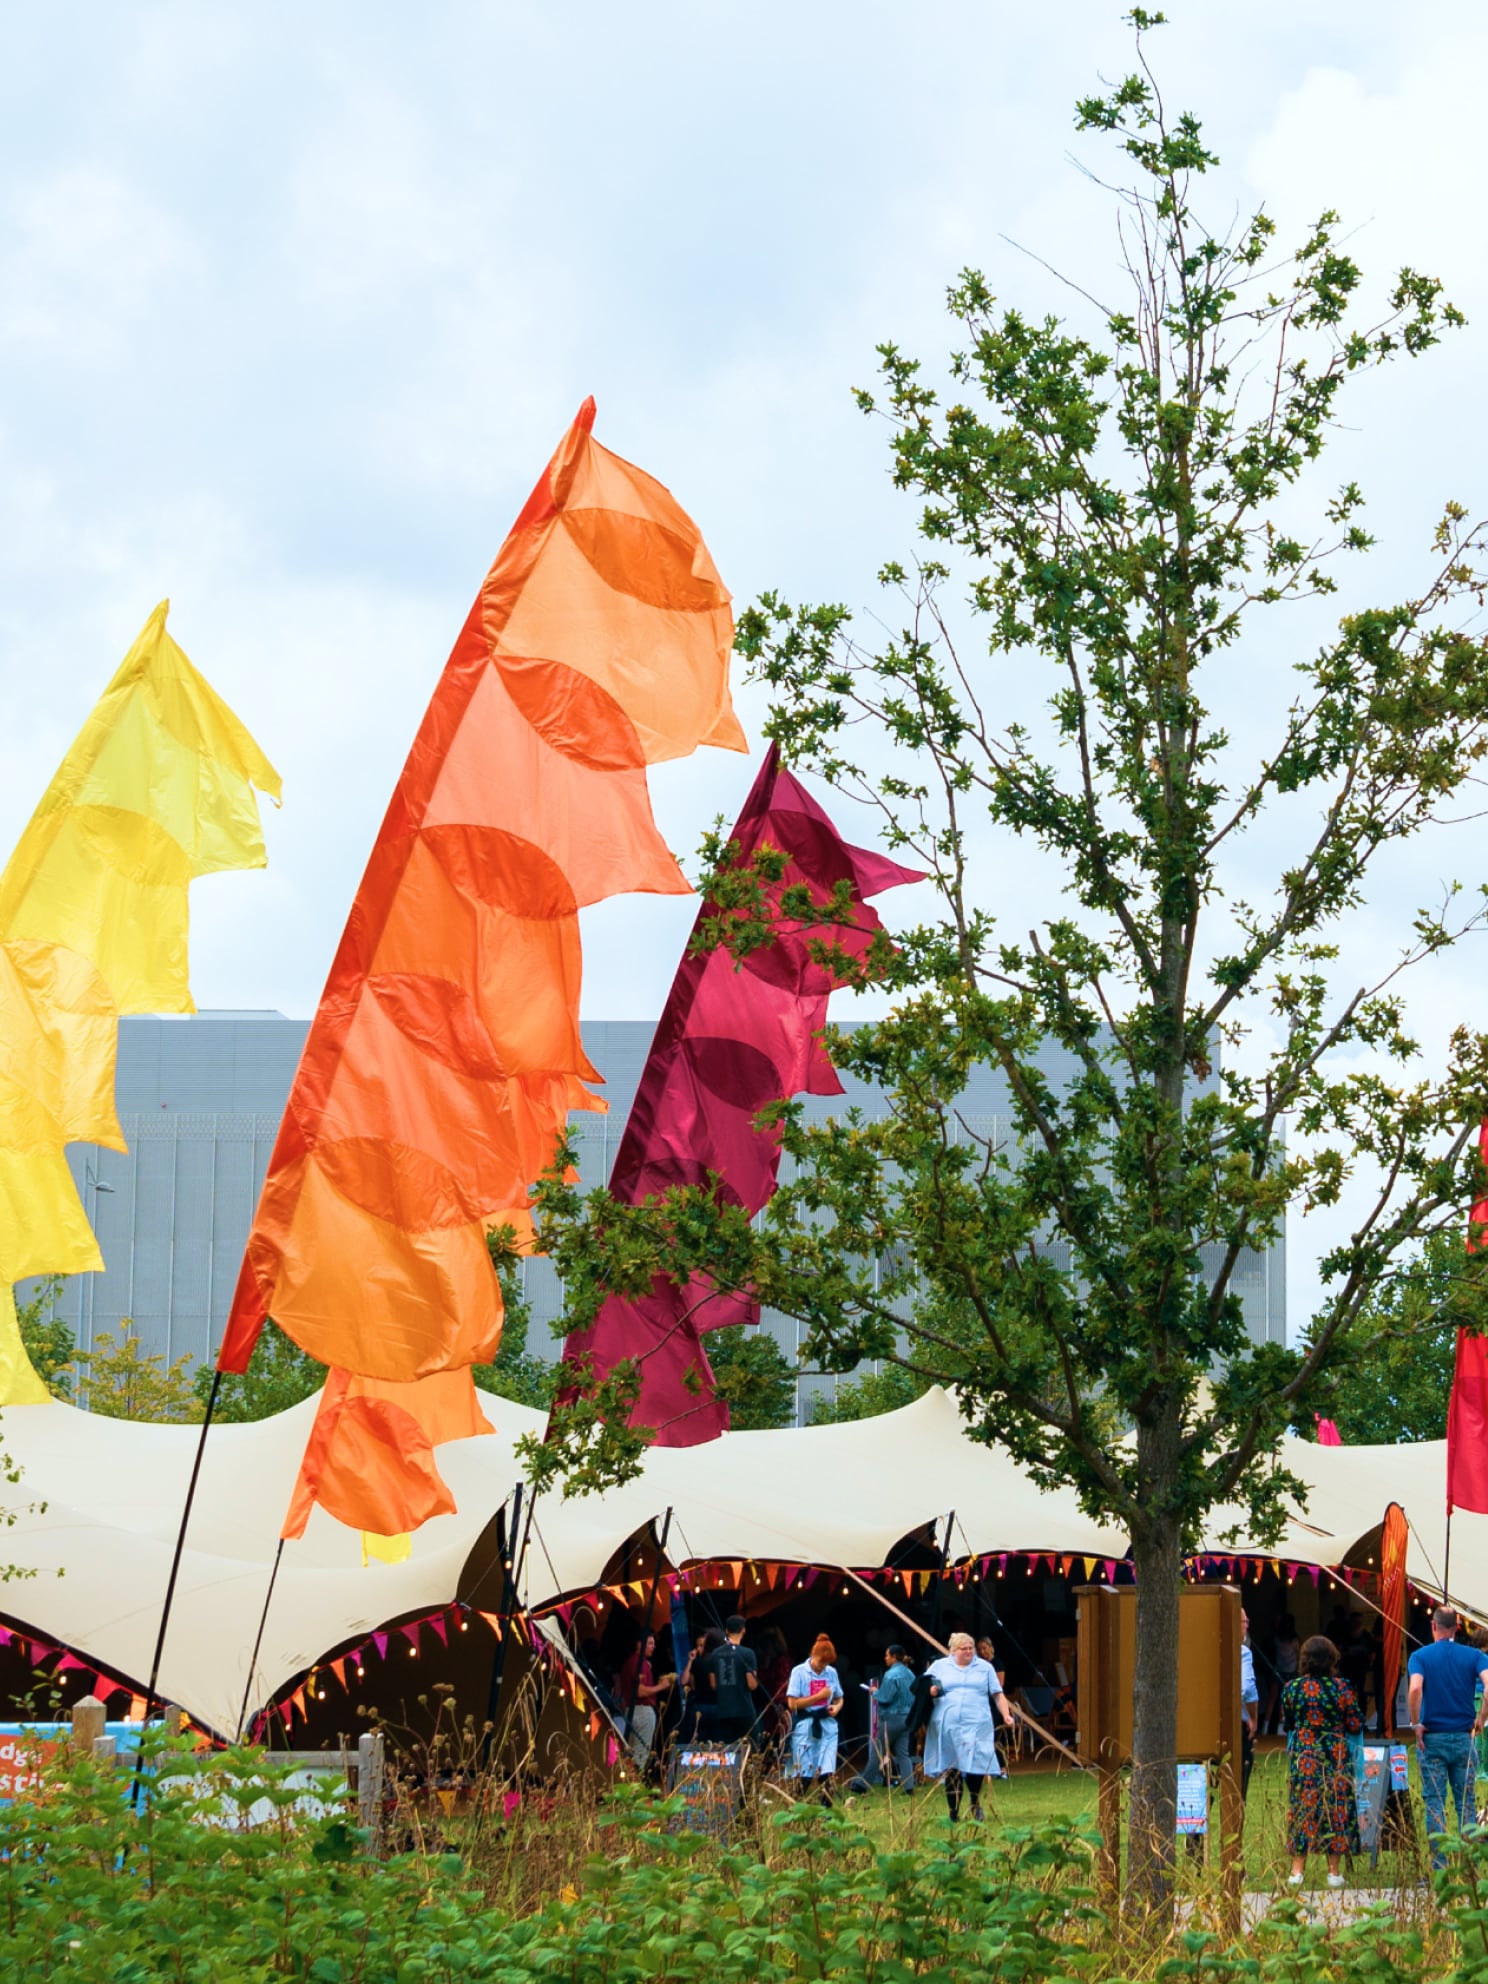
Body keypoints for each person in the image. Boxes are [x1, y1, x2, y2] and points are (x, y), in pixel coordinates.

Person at [1408, 1605, 1488, 1868]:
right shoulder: (1475, 1656)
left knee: (1434, 1802)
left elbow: (1416, 1688)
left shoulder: (1419, 1656)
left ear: (1434, 1626)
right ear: (1457, 1627)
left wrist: (1415, 1722)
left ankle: (1440, 1865)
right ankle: (1470, 1865)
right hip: (1464, 1737)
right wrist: (1481, 1719)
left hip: (1432, 1738)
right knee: (1465, 1803)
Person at [1281, 1634, 1362, 1889]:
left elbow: (1290, 1722)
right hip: (1335, 1753)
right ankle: (1333, 1872)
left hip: (1305, 1754)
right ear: (1332, 1659)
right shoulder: (1343, 1688)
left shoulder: (1291, 1689)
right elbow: (1355, 1722)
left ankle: (1296, 1871)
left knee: (1304, 1808)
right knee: (1335, 1808)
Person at [924, 1631, 1014, 1823]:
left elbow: (998, 1694)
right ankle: (953, 1811)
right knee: (952, 1766)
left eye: (970, 1648)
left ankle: (974, 1802)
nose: (968, 1652)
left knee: (976, 1764)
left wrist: (1006, 1714)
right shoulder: (939, 1666)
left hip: (977, 1724)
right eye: (963, 1649)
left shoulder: (985, 1667)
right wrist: (930, 1690)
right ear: (953, 1650)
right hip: (948, 1725)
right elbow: (922, 1687)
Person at [786, 1634, 845, 1797]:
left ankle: (827, 1814)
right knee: (804, 1771)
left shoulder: (831, 1672)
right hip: (805, 1725)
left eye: (826, 1663)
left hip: (827, 1724)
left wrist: (837, 1707)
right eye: (821, 1662)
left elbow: (839, 1696)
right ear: (813, 1656)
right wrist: (819, 1696)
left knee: (827, 1770)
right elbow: (792, 1704)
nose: (823, 1667)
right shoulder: (798, 1672)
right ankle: (796, 1811)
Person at [858, 1645, 916, 1793]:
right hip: (907, 1717)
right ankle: (909, 1786)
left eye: (887, 1655)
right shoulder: (910, 1673)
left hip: (891, 1718)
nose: (885, 1658)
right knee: (904, 1754)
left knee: (877, 1751)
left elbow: (885, 1698)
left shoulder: (890, 1675)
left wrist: (875, 1692)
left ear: (894, 1657)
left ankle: (863, 1784)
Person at [698, 1614, 759, 1744]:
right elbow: (752, 1685)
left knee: (728, 1752)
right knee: (751, 1749)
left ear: (726, 1631)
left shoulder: (714, 1654)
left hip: (723, 1710)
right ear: (743, 1630)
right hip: (745, 1710)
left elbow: (713, 1685)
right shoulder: (748, 1653)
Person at [616, 1630, 672, 1765]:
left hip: (631, 1711)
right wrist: (662, 1686)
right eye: (650, 1643)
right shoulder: (638, 1662)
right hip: (642, 1711)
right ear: (640, 1644)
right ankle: (636, 1782)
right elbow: (640, 1691)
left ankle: (630, 1781)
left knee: (632, 1751)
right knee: (641, 1753)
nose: (654, 1646)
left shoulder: (633, 1662)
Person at [1266, 1614, 1300, 1735]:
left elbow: (1297, 1655)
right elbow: (1298, 1654)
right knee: (1277, 1698)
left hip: (1287, 1672)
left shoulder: (1281, 1638)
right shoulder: (1280, 1638)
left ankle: (1276, 1729)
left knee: (1279, 1699)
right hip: (1282, 1671)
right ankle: (1271, 1729)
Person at [1240, 1609, 1260, 1800]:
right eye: (1244, 1621)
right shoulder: (1243, 1652)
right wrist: (1252, 1717)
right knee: (1240, 1779)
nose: (1246, 1625)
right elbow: (1246, 1688)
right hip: (1238, 1723)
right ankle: (1235, 1826)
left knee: (1209, 1779)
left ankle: (1194, 1827)